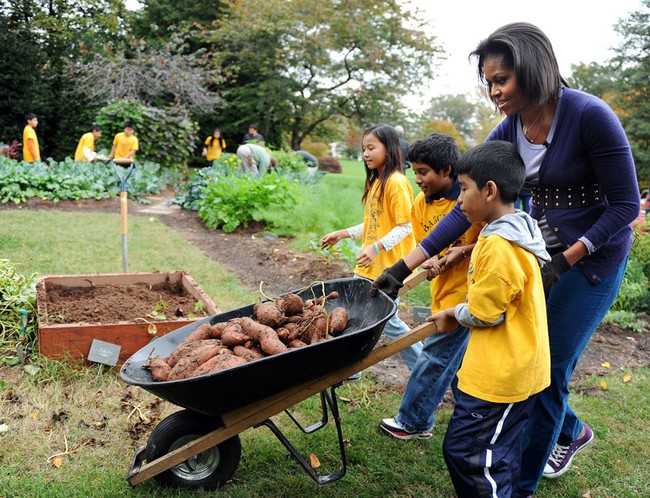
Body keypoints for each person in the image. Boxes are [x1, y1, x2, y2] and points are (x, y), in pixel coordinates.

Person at [371, 23, 639, 497]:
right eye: (489, 82)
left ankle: (524, 485)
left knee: (550, 368)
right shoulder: (511, 126)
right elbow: (464, 205)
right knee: (526, 358)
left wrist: (567, 260)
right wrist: (402, 266)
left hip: (592, 259)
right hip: (541, 250)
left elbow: (625, 206)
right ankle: (565, 431)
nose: (494, 91)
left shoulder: (589, 116)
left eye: (501, 80)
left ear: (533, 72)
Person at [430, 140, 551, 498]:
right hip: (511, 366)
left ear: (490, 190)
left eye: (464, 189)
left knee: (468, 454)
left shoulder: (499, 247)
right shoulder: (510, 231)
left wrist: (453, 313)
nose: (460, 199)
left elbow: (484, 312)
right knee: (500, 451)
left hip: (501, 377)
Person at [379, 133, 482, 440]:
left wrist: (461, 251)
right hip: (442, 291)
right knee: (456, 364)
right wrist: (435, 259)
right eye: (415, 171)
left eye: (423, 172)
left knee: (435, 355)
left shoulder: (470, 204)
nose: (417, 179)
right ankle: (475, 419)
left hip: (466, 294)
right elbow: (428, 245)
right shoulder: (419, 205)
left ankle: (414, 421)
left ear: (447, 170)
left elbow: (493, 243)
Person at [321, 124, 421, 370]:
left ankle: (423, 368)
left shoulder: (396, 182)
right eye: (364, 148)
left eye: (371, 148)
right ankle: (351, 368)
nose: (365, 154)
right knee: (361, 316)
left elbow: (405, 226)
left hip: (388, 268)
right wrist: (342, 234)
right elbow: (373, 224)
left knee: (389, 322)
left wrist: (376, 247)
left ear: (389, 149)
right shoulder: (378, 181)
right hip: (370, 266)